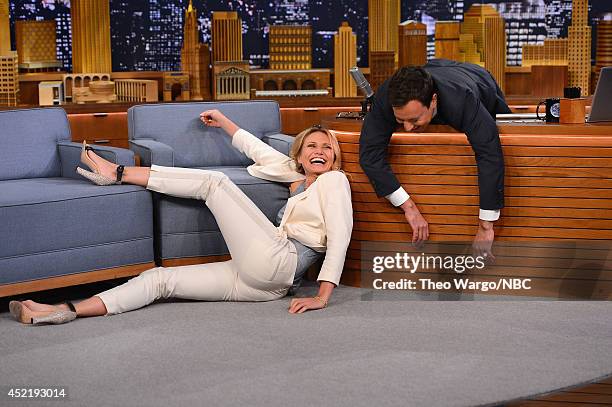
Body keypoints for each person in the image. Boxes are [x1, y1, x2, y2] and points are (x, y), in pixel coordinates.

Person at [9, 110, 353, 325]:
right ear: (299, 154)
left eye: (326, 148)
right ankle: (64, 310)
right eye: (311, 146)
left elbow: (340, 237)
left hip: (282, 262)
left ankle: (116, 173)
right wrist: (223, 122)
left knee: (215, 182)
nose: (319, 151)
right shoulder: (290, 172)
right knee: (160, 280)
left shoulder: (335, 181)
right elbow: (255, 148)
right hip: (264, 285)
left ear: (335, 158)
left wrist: (323, 295)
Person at [360, 59, 510, 258]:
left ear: (433, 100)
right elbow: (370, 154)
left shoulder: (462, 98)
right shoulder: (386, 96)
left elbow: (489, 154)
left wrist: (486, 225)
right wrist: (408, 207)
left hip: (476, 78)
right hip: (435, 68)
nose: (407, 128)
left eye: (414, 120)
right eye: (399, 120)